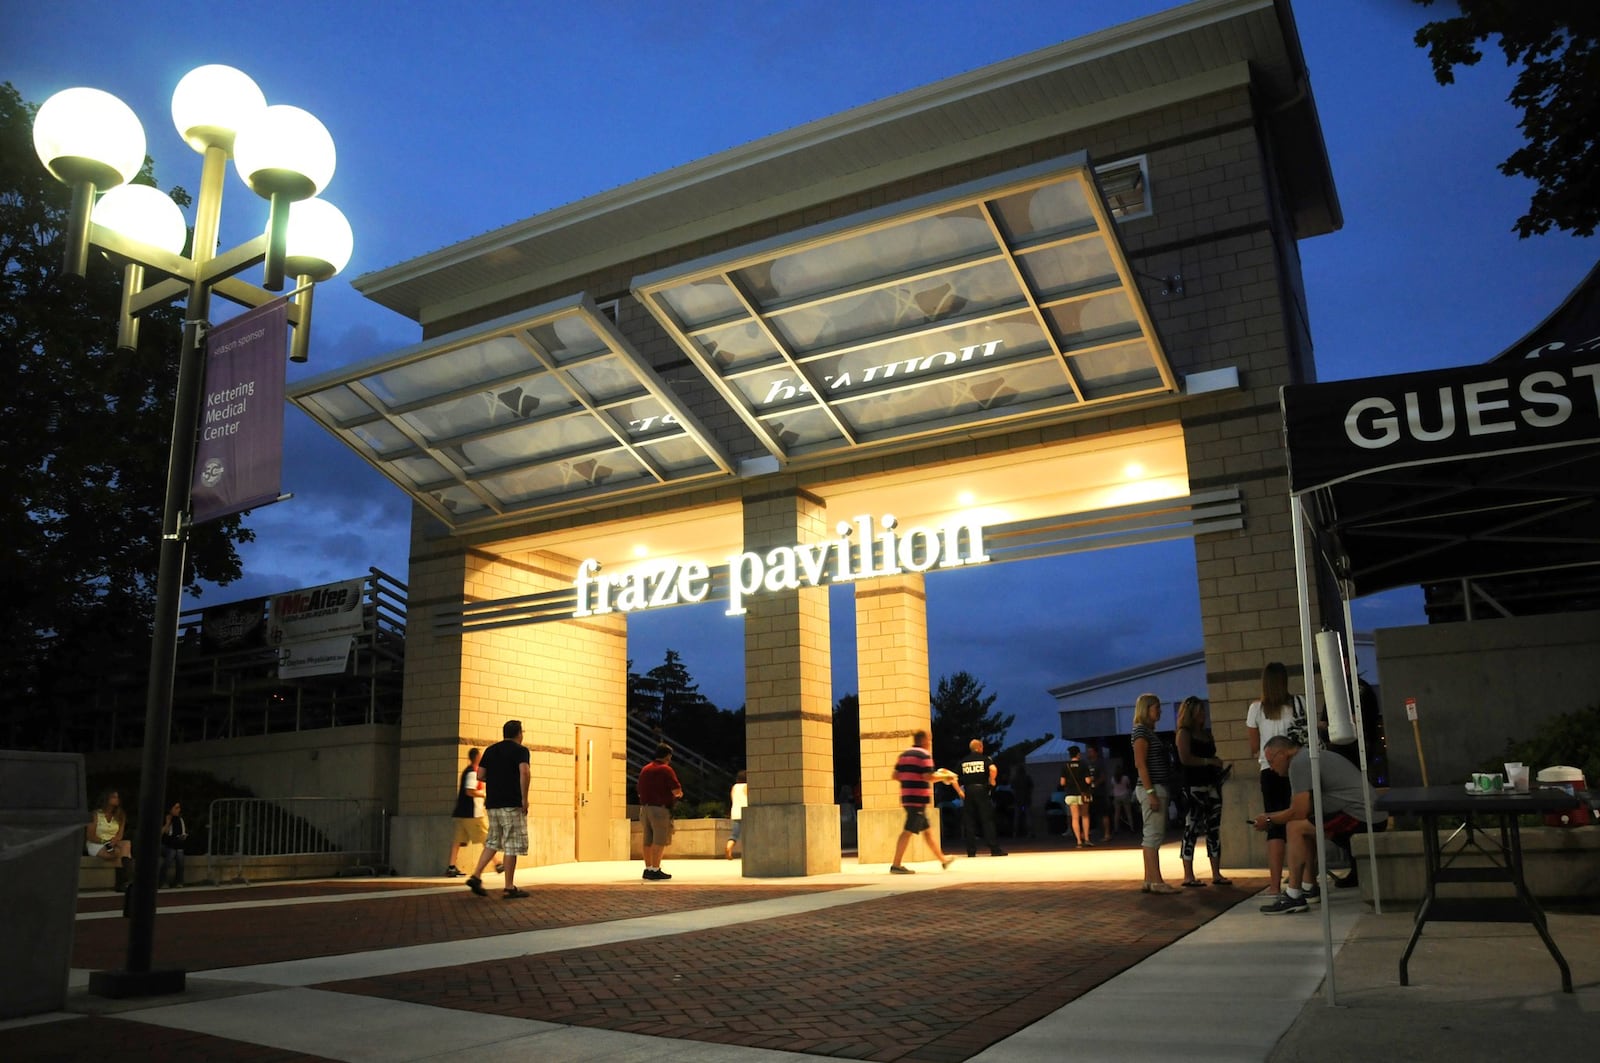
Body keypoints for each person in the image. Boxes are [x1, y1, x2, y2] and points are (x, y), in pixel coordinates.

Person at [1252, 735, 1384, 914]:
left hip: (1361, 816)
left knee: (1295, 827)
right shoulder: (1306, 757)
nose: (1271, 768)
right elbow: (1303, 810)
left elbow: (1299, 810)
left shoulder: (1300, 763)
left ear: (1282, 754)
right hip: (1366, 813)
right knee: (1303, 826)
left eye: (1271, 761)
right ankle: (1308, 886)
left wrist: (1269, 820)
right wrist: (1270, 817)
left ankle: (1293, 894)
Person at [1246, 662, 1303, 901]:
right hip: (1296, 767)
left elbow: (1253, 746)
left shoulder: (1256, 709)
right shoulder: (1298, 703)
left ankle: (1273, 884)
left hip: (1269, 770)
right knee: (1298, 820)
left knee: (1273, 824)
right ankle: (1302, 878)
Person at [465, 719, 531, 899]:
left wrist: (496, 779)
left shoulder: (490, 750)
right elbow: (524, 772)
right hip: (511, 803)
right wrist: (524, 799)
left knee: (493, 841)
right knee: (511, 844)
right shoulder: (521, 751)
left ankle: (476, 875)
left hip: (492, 804)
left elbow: (480, 775)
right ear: (519, 734)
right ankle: (509, 887)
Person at [1174, 696, 1231, 887]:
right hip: (1193, 786)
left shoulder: (1205, 733)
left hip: (1211, 783)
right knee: (1191, 828)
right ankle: (1188, 874)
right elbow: (1185, 758)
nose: (1203, 715)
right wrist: (1208, 761)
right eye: (1199, 712)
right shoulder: (1184, 733)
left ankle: (1216, 872)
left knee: (1213, 828)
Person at [1130, 694, 1178, 893]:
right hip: (1153, 787)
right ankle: (1157, 881)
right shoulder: (1141, 732)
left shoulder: (1147, 732)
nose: (1159, 711)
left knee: (1151, 834)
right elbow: (1140, 763)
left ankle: (1149, 879)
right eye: (1156, 708)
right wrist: (1151, 792)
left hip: (1155, 787)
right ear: (1146, 709)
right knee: (1153, 835)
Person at [890, 729, 955, 873]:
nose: (930, 743)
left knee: (928, 832)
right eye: (929, 740)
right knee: (907, 831)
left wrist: (909, 778)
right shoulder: (924, 755)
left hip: (907, 797)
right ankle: (896, 865)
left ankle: (943, 860)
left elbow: (895, 775)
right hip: (918, 799)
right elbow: (928, 777)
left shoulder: (904, 754)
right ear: (925, 741)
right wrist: (945, 777)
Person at [638, 742, 683, 880]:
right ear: (668, 756)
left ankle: (648, 868)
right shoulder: (666, 770)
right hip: (660, 809)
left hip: (645, 808)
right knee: (659, 839)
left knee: (647, 839)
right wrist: (679, 795)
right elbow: (676, 791)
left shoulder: (645, 769)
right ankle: (656, 869)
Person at [957, 738, 1006, 857]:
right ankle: (994, 848)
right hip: (982, 790)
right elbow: (993, 769)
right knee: (987, 820)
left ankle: (971, 850)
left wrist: (959, 791)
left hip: (968, 790)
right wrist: (992, 780)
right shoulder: (985, 759)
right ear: (979, 748)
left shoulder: (963, 761)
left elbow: (953, 777)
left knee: (969, 821)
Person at [447, 747, 487, 877]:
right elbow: (469, 791)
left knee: (457, 841)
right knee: (487, 839)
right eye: (480, 756)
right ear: (477, 757)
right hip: (472, 814)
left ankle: (451, 867)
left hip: (461, 813)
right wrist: (483, 795)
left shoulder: (468, 771)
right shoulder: (472, 773)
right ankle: (498, 864)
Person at [86, 789, 133, 892]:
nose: (117, 799)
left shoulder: (120, 815)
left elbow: (120, 834)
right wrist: (105, 842)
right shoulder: (95, 815)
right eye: (114, 797)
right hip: (97, 843)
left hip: (113, 843)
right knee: (117, 853)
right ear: (106, 799)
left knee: (126, 844)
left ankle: (124, 882)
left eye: (117, 797)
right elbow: (90, 836)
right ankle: (125, 881)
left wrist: (115, 841)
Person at [1060, 746, 1094, 847]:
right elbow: (1088, 780)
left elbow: (1062, 782)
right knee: (1085, 816)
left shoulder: (1065, 766)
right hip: (1082, 793)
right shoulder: (1083, 765)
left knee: (1074, 817)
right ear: (1078, 754)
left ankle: (1079, 841)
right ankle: (1087, 839)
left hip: (1070, 794)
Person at [1085, 746, 1113, 842]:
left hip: (1100, 792)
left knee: (1104, 813)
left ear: (1096, 753)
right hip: (1090, 793)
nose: (1089, 753)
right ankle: (1088, 833)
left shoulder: (1100, 763)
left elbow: (1103, 777)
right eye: (1088, 751)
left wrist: (1094, 785)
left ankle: (1107, 834)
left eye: (1091, 751)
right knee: (1088, 813)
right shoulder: (1087, 764)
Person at [159, 801, 188, 888]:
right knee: (172, 852)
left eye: (179, 808)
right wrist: (168, 823)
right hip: (164, 845)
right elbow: (161, 834)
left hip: (175, 845)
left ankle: (179, 881)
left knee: (179, 853)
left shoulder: (180, 820)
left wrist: (183, 837)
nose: (178, 810)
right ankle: (162, 880)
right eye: (176, 808)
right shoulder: (165, 818)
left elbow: (182, 832)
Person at [726, 769, 748, 859]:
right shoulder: (747, 786)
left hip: (735, 812)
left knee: (734, 834)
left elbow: (732, 799)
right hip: (745, 812)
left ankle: (729, 847)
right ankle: (748, 853)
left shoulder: (734, 787)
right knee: (748, 834)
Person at [1009, 761, 1034, 839]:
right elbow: (1031, 786)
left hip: (1017, 799)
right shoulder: (1027, 777)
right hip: (1026, 798)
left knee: (1016, 816)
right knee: (1028, 815)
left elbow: (1012, 788)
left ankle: (1015, 832)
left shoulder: (1014, 779)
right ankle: (1029, 832)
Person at [1112, 770, 1138, 834]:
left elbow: (1112, 787)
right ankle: (1132, 828)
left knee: (1117, 814)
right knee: (1128, 813)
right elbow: (1128, 785)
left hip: (1116, 796)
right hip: (1125, 795)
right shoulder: (1125, 778)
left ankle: (1116, 829)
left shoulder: (1113, 778)